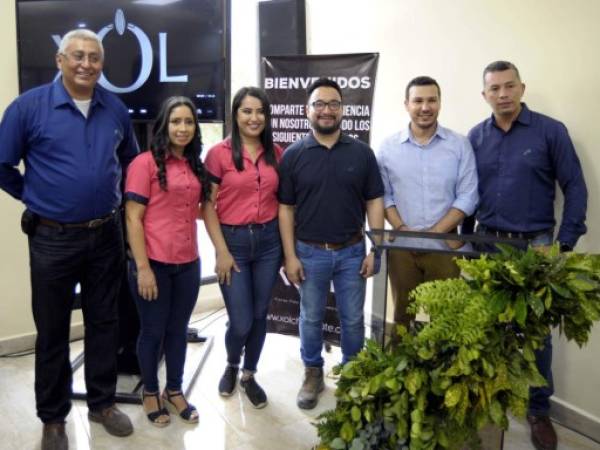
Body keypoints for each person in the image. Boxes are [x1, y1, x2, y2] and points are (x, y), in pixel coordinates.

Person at [0, 29, 138, 449]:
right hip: (51, 240)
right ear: (60, 59)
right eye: (77, 55)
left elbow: (130, 162)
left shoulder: (114, 108)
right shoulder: (27, 108)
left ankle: (102, 403)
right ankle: (53, 418)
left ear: (102, 63)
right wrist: (39, 198)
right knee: (54, 330)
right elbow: (4, 166)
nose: (86, 64)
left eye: (94, 57)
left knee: (104, 323)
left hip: (106, 236)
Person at [468, 60, 588, 450]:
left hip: (535, 247)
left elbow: (576, 188)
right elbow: (468, 195)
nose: (502, 95)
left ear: (522, 88)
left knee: (536, 337)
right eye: (494, 89)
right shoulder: (475, 136)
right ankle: (491, 400)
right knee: (488, 328)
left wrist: (564, 244)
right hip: (486, 244)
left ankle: (538, 412)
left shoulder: (551, 132)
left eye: (509, 87)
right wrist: (463, 242)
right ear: (484, 94)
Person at [278, 78, 385, 410]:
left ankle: (354, 375)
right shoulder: (293, 155)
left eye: (333, 104)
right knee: (310, 318)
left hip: (353, 252)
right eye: (319, 104)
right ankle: (313, 373)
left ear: (343, 110)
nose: (326, 110)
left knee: (352, 318)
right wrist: (290, 255)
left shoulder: (362, 153)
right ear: (307, 110)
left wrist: (375, 248)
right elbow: (285, 208)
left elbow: (375, 202)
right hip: (309, 253)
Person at [125, 96, 209, 426]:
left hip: (188, 264)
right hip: (153, 264)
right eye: (176, 121)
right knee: (152, 331)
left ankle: (174, 391)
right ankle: (150, 393)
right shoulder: (144, 164)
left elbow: (204, 212)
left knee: (177, 331)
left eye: (189, 121)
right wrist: (143, 268)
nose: (183, 128)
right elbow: (133, 218)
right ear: (164, 125)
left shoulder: (195, 166)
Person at [203, 87, 283, 409]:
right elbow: (207, 206)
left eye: (260, 111)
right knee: (241, 321)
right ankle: (232, 363)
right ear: (235, 114)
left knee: (260, 314)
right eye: (247, 111)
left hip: (268, 242)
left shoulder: (277, 153)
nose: (254, 118)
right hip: (232, 242)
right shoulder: (219, 154)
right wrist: (221, 251)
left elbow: (286, 203)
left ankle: (249, 374)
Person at [377, 76, 478, 329]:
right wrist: (400, 227)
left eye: (431, 100)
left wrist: (436, 232)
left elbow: (468, 195)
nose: (425, 107)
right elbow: (384, 195)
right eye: (418, 100)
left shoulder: (459, 145)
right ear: (406, 104)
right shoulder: (388, 148)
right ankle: (402, 370)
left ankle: (443, 370)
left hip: (445, 247)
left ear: (440, 103)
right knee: (402, 318)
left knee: (446, 320)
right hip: (402, 247)